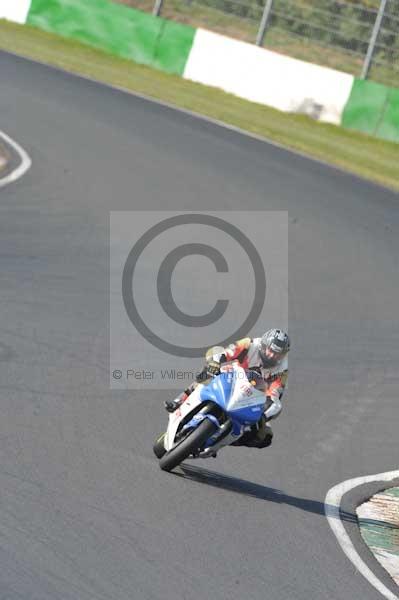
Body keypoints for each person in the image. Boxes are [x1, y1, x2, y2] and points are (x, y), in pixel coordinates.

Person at [164, 329, 290, 449]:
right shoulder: (249, 344)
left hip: (250, 397)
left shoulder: (282, 370)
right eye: (271, 350)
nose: (273, 356)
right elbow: (223, 352)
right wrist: (215, 362)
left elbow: (275, 394)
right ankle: (180, 400)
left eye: (278, 354)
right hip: (231, 377)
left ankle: (228, 440)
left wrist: (266, 411)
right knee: (209, 371)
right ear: (264, 345)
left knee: (265, 436)